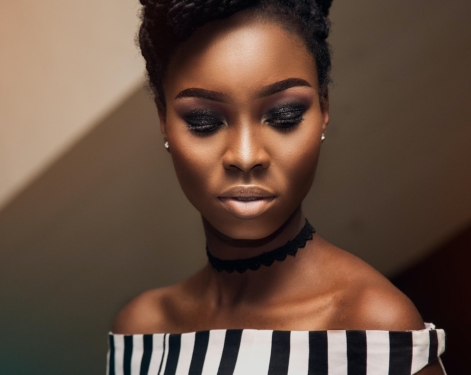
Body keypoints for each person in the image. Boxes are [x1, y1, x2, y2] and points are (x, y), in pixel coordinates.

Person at [108, 0, 446, 374]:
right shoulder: (139, 333)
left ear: (323, 111)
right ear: (163, 120)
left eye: (283, 117)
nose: (246, 155)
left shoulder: (375, 329)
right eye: (204, 121)